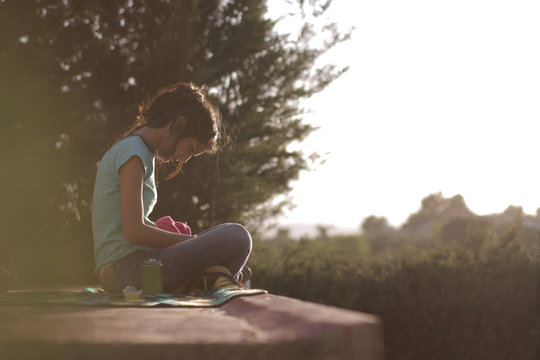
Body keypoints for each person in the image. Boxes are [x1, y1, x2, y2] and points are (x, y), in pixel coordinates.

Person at [91, 82, 252, 295]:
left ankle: (205, 278)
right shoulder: (133, 152)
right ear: (178, 125)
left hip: (132, 267)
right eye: (190, 149)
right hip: (126, 271)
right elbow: (133, 230)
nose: (184, 159)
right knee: (237, 237)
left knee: (226, 235)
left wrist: (192, 245)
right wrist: (191, 243)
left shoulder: (138, 151)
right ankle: (210, 278)